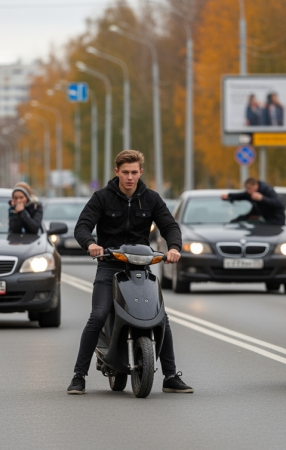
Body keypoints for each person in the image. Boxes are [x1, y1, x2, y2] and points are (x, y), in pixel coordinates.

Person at [68, 149, 193, 395]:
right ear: (116, 172)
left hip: (141, 267)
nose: (130, 177)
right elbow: (82, 226)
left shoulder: (151, 198)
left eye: (134, 172)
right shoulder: (102, 197)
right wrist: (91, 244)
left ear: (140, 172)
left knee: (161, 318)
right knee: (99, 314)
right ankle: (78, 376)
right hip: (110, 265)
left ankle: (170, 376)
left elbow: (169, 226)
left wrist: (175, 247)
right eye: (125, 172)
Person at [221, 177, 286, 225]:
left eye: (249, 188)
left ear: (256, 185)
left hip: (277, 221)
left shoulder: (267, 190)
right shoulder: (251, 192)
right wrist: (229, 195)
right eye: (247, 189)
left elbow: (279, 204)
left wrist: (262, 198)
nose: (248, 191)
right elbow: (242, 195)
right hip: (266, 220)